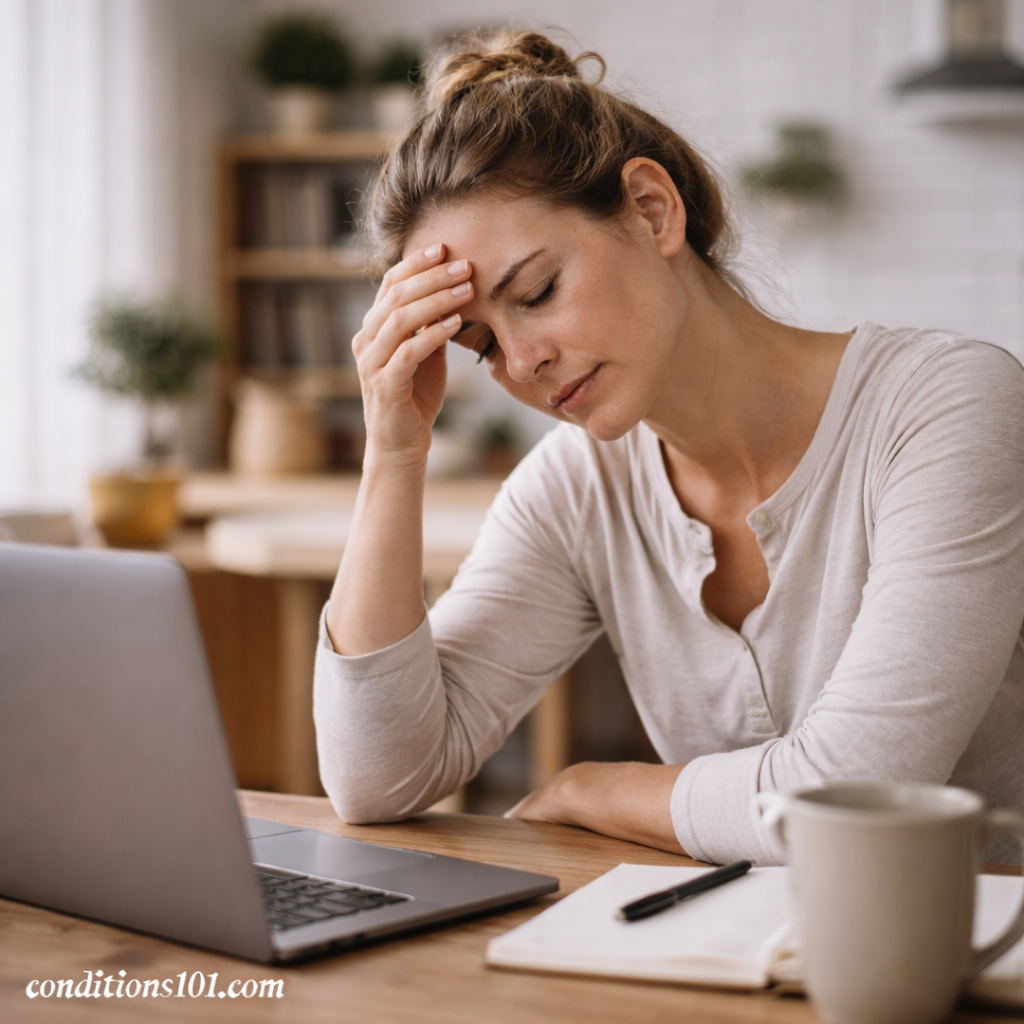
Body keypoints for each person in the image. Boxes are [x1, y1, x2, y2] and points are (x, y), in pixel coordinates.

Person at [313, 30, 1024, 865]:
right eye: (480, 345)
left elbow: (852, 796)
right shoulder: (577, 489)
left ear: (653, 210)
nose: (523, 361)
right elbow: (377, 778)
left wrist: (591, 789)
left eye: (537, 292)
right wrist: (392, 456)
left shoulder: (947, 407)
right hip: (733, 971)